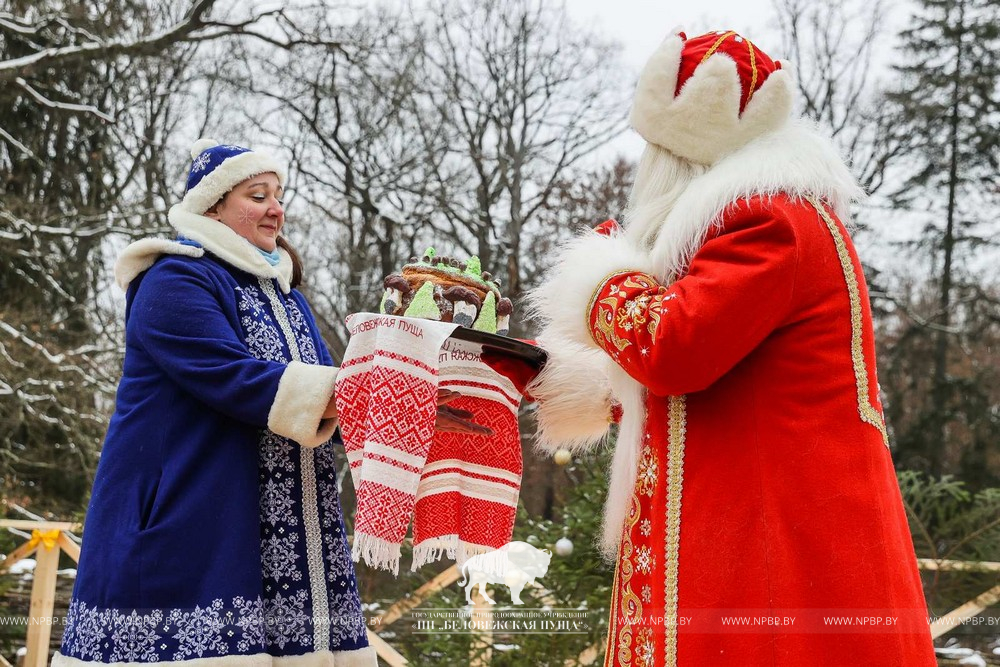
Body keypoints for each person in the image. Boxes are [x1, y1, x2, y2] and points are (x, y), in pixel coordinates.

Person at [526, 31, 937, 666]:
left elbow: (674, 348)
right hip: (776, 537)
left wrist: (601, 275)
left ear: (683, 154)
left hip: (773, 549)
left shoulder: (769, 219)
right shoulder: (781, 215)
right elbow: (712, 385)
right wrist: (539, 372)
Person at [55, 139, 484, 666]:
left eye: (278, 195)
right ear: (212, 207)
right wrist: (373, 394)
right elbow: (234, 377)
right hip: (193, 516)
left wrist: (422, 411)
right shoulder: (173, 279)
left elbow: (332, 399)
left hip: (292, 533)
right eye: (257, 195)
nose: (276, 208)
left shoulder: (288, 298)